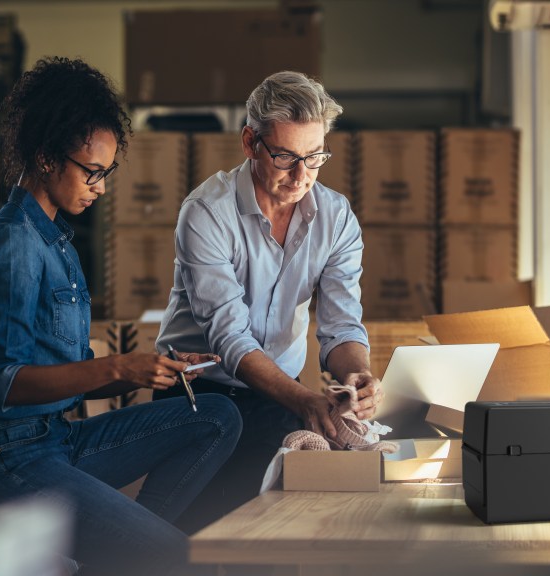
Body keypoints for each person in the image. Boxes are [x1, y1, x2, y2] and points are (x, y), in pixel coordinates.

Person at [0, 57, 242, 576]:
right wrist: (119, 366)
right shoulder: (14, 243)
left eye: (106, 173)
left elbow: (74, 377)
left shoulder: (57, 242)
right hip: (5, 459)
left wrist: (153, 369)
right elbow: (3, 383)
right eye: (92, 172)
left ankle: (129, 554)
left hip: (57, 440)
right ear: (46, 158)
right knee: (178, 557)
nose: (100, 187)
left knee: (217, 416)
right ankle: (141, 554)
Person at [154, 70, 385, 534]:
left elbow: (341, 326)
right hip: (196, 394)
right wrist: (303, 400)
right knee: (185, 538)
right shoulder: (206, 212)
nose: (301, 176)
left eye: (314, 157)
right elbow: (230, 337)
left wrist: (357, 375)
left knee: (267, 533)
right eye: (285, 157)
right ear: (250, 143)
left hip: (280, 393)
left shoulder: (336, 218)